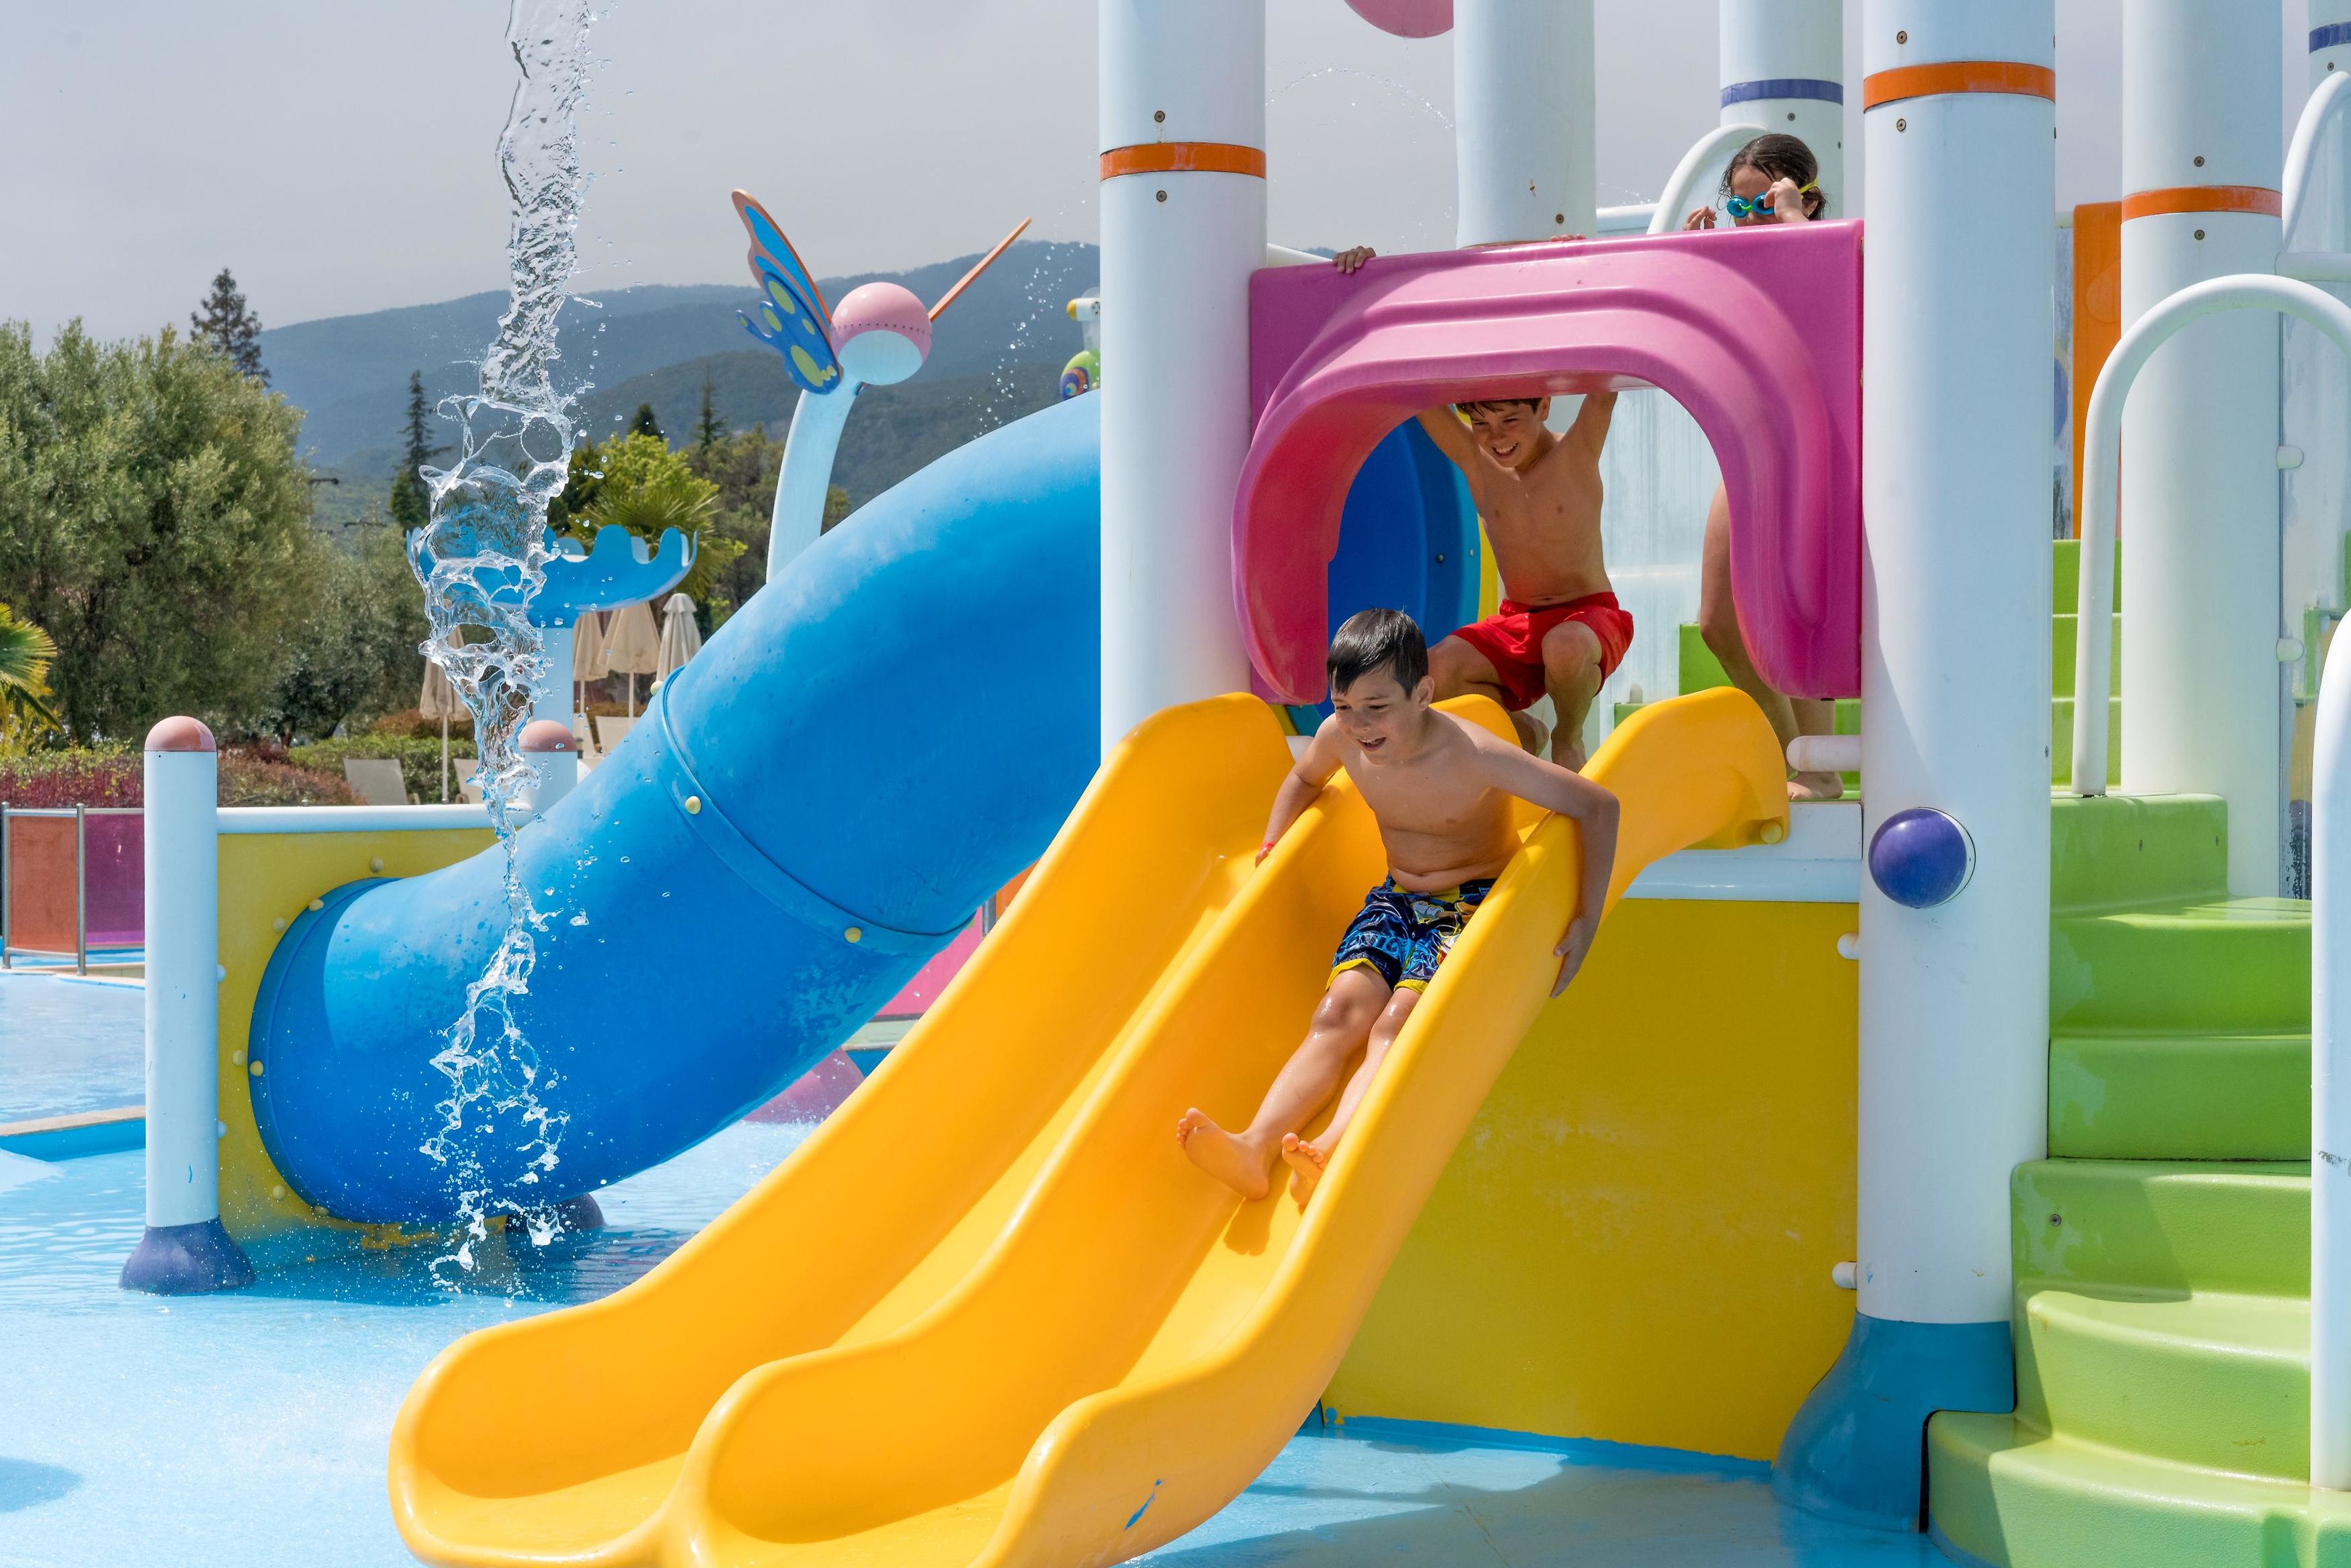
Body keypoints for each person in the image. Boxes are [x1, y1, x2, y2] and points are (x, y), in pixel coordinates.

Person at [1176, 608, 1619, 1205]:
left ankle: (1331, 1147)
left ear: (1424, 695)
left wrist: (1587, 917)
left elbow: (1598, 806)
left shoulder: (1473, 755)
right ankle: (1254, 1149)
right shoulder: (1340, 738)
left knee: (1395, 1021)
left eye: (1377, 707)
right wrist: (1272, 844)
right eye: (1343, 706)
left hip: (1470, 903)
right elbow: (1304, 779)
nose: (1358, 725)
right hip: (1396, 899)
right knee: (1337, 1013)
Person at [1329, 245, 1629, 770]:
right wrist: (1373, 276)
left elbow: (1609, 365)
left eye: (1510, 420)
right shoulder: (1476, 460)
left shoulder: (1576, 453)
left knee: (1563, 647)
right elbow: (1416, 386)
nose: (1496, 438)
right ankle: (1521, 728)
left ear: (1543, 405)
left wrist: (1585, 267)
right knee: (1431, 673)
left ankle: (1568, 735)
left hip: (1587, 618)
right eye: (1482, 424)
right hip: (1518, 622)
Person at [1684, 133, 1843, 801]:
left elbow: (1833, 301)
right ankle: (1791, 755)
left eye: (1764, 203)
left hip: (1820, 447)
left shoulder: (1831, 245)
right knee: (1718, 622)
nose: (1749, 219)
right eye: (1739, 206)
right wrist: (1692, 256)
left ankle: (1819, 768)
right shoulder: (1736, 261)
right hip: (1750, 445)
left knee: (1805, 609)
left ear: (1806, 199)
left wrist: (1792, 219)